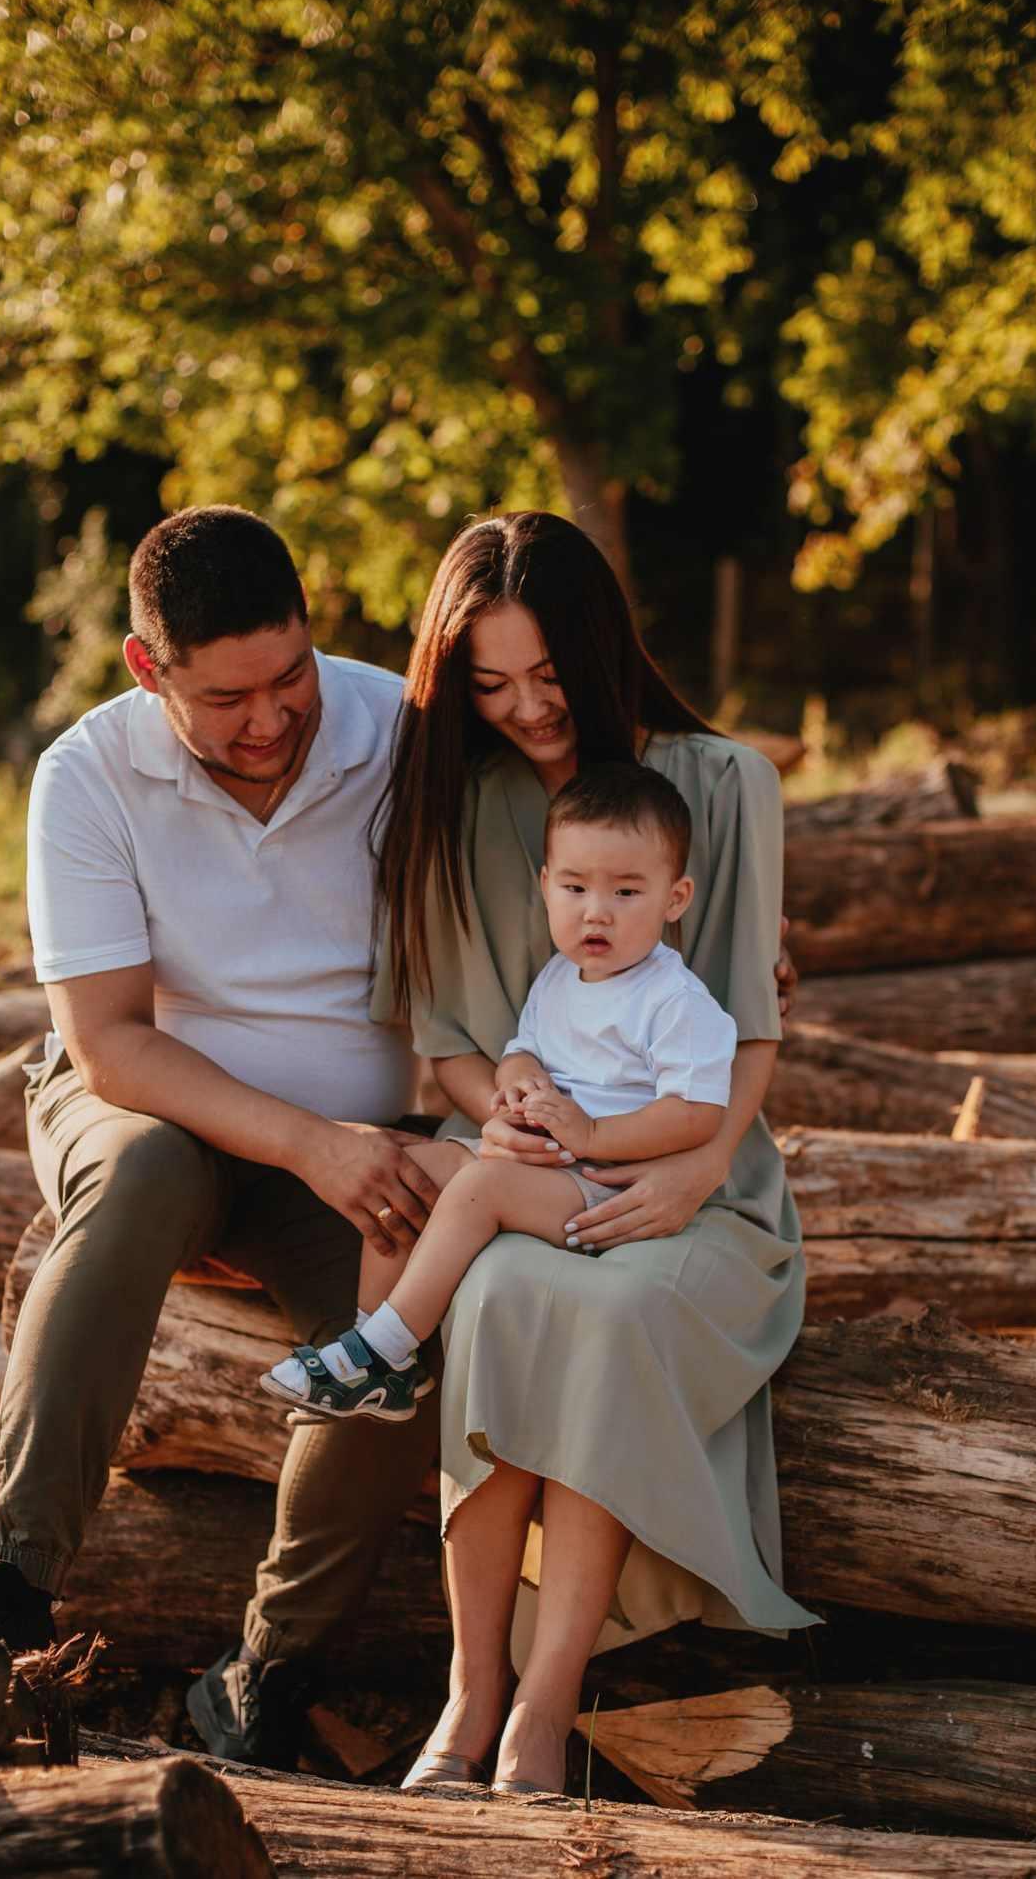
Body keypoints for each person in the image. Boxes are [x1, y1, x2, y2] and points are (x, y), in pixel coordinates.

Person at [0, 504, 446, 1769]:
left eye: (290, 677)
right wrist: (311, 1141)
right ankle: (3, 1597)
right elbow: (112, 1040)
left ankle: (264, 1671)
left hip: (352, 1147)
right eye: (227, 698)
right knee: (149, 1165)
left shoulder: (401, 731)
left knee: (416, 1327)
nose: (269, 721)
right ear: (145, 667)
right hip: (144, 1103)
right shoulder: (86, 774)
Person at [369, 509, 817, 1798]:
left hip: (703, 1172)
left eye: (547, 676)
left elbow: (746, 1025)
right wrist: (502, 1095)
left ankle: (544, 1706)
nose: (522, 708)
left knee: (615, 1317)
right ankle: (470, 1687)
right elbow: (454, 1043)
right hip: (512, 1170)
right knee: (505, 1291)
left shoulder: (727, 783)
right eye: (488, 682)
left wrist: (688, 1170)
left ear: (601, 649)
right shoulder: (453, 805)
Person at [259, 763, 738, 1424]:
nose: (595, 910)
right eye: (574, 886)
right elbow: (522, 1052)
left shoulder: (673, 1000)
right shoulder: (559, 976)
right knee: (403, 1171)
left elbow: (696, 1114)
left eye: (627, 891)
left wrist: (592, 1136)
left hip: (605, 1183)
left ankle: (379, 1349)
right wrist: (515, 1088)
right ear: (545, 885)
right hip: (543, 1160)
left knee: (478, 1190)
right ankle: (379, 1357)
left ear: (674, 897)